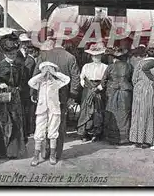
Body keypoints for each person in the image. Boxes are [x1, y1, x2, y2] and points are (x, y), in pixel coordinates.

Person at [33, 32, 81, 161]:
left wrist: (35, 93)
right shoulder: (70, 57)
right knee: (58, 124)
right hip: (62, 96)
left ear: (54, 41)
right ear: (66, 43)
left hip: (44, 94)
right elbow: (75, 78)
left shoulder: (44, 55)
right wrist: (73, 96)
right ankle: (56, 154)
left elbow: (36, 74)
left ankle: (43, 152)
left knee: (42, 123)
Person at [0, 33, 28, 159]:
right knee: (1, 122)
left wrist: (19, 88)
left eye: (14, 54)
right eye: (10, 54)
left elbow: (23, 81)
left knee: (15, 121)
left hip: (15, 98)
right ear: (5, 54)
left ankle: (13, 151)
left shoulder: (20, 66)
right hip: (1, 97)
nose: (13, 57)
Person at [29, 62, 71, 166]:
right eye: (45, 70)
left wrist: (55, 73)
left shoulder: (57, 82)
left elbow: (67, 79)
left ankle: (52, 155)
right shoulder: (39, 82)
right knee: (39, 132)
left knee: (53, 131)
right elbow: (31, 82)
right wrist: (41, 74)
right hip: (41, 109)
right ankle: (36, 156)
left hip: (54, 109)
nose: (48, 72)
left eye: (50, 70)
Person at [100, 46, 133, 145]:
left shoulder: (110, 67)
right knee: (125, 113)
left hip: (112, 91)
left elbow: (103, 81)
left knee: (112, 113)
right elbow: (133, 80)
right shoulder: (129, 66)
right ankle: (124, 138)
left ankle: (113, 138)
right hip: (125, 92)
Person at [77, 42, 108, 142]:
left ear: (101, 56)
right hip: (87, 89)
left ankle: (96, 133)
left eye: (98, 56)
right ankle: (84, 133)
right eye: (94, 56)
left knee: (97, 111)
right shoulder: (86, 66)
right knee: (85, 110)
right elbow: (81, 77)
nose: (95, 58)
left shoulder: (105, 67)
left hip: (99, 89)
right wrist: (83, 82)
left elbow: (105, 79)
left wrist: (99, 87)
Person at [129, 46, 154, 148]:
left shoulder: (140, 63)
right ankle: (148, 140)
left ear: (146, 54)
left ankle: (137, 139)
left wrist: (138, 86)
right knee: (149, 113)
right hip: (151, 88)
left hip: (139, 89)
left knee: (137, 113)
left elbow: (134, 78)